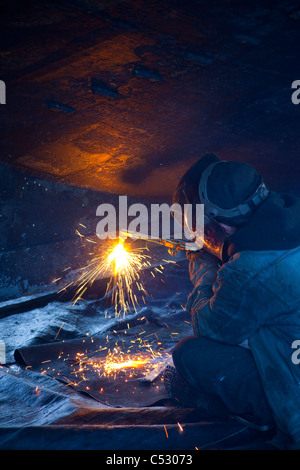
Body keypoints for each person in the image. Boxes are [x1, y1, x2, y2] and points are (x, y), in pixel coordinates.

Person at [163, 152, 300, 449]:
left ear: (220, 228)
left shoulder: (249, 271)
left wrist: (202, 265)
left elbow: (209, 327)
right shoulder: (287, 215)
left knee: (189, 353)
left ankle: (264, 413)